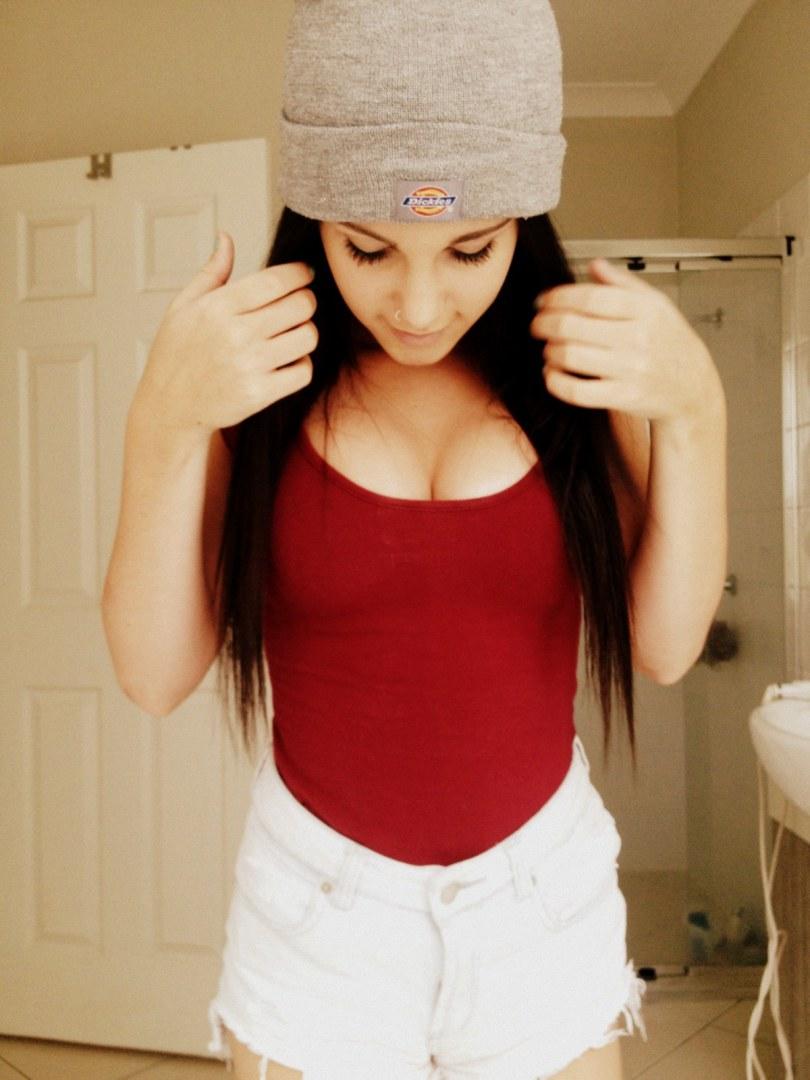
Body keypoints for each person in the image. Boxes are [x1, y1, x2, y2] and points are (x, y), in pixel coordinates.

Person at [101, 2, 728, 1078]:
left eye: (471, 247)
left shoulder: (583, 378)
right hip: (317, 921)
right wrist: (161, 417)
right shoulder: (254, 386)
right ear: (315, 215)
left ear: (523, 221)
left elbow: (666, 648)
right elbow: (154, 677)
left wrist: (697, 407)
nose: (423, 304)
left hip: (543, 906)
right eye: (370, 247)